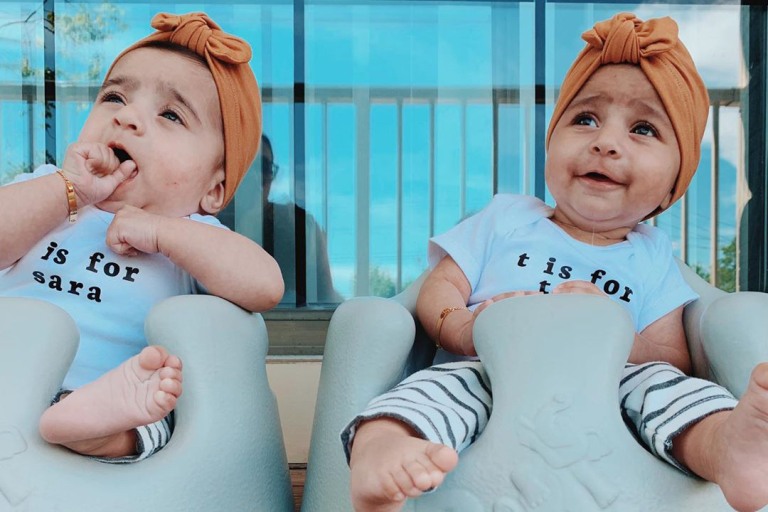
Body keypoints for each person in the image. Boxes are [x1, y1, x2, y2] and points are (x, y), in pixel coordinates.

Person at [341, 12, 768, 512]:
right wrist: (463, 328)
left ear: (674, 184)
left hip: (611, 387)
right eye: (585, 119)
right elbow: (442, 286)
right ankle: (383, 446)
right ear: (552, 142)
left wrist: (612, 329)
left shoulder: (651, 254)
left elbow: (672, 357)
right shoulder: (507, 218)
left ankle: (724, 448)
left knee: (668, 391)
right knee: (435, 388)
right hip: (487, 369)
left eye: (643, 129)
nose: (605, 142)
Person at [0, 12, 283, 462]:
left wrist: (162, 232)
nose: (127, 117)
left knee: (158, 412)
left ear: (212, 190)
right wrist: (66, 191)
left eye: (171, 114)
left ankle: (95, 430)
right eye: (114, 97)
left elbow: (265, 284)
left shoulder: (191, 234)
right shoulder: (49, 190)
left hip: (106, 391)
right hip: (9, 368)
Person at [257, 133, 342, 304]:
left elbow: (326, 296)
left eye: (265, 167)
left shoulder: (299, 223)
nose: (257, 175)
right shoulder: (211, 224)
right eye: (251, 166)